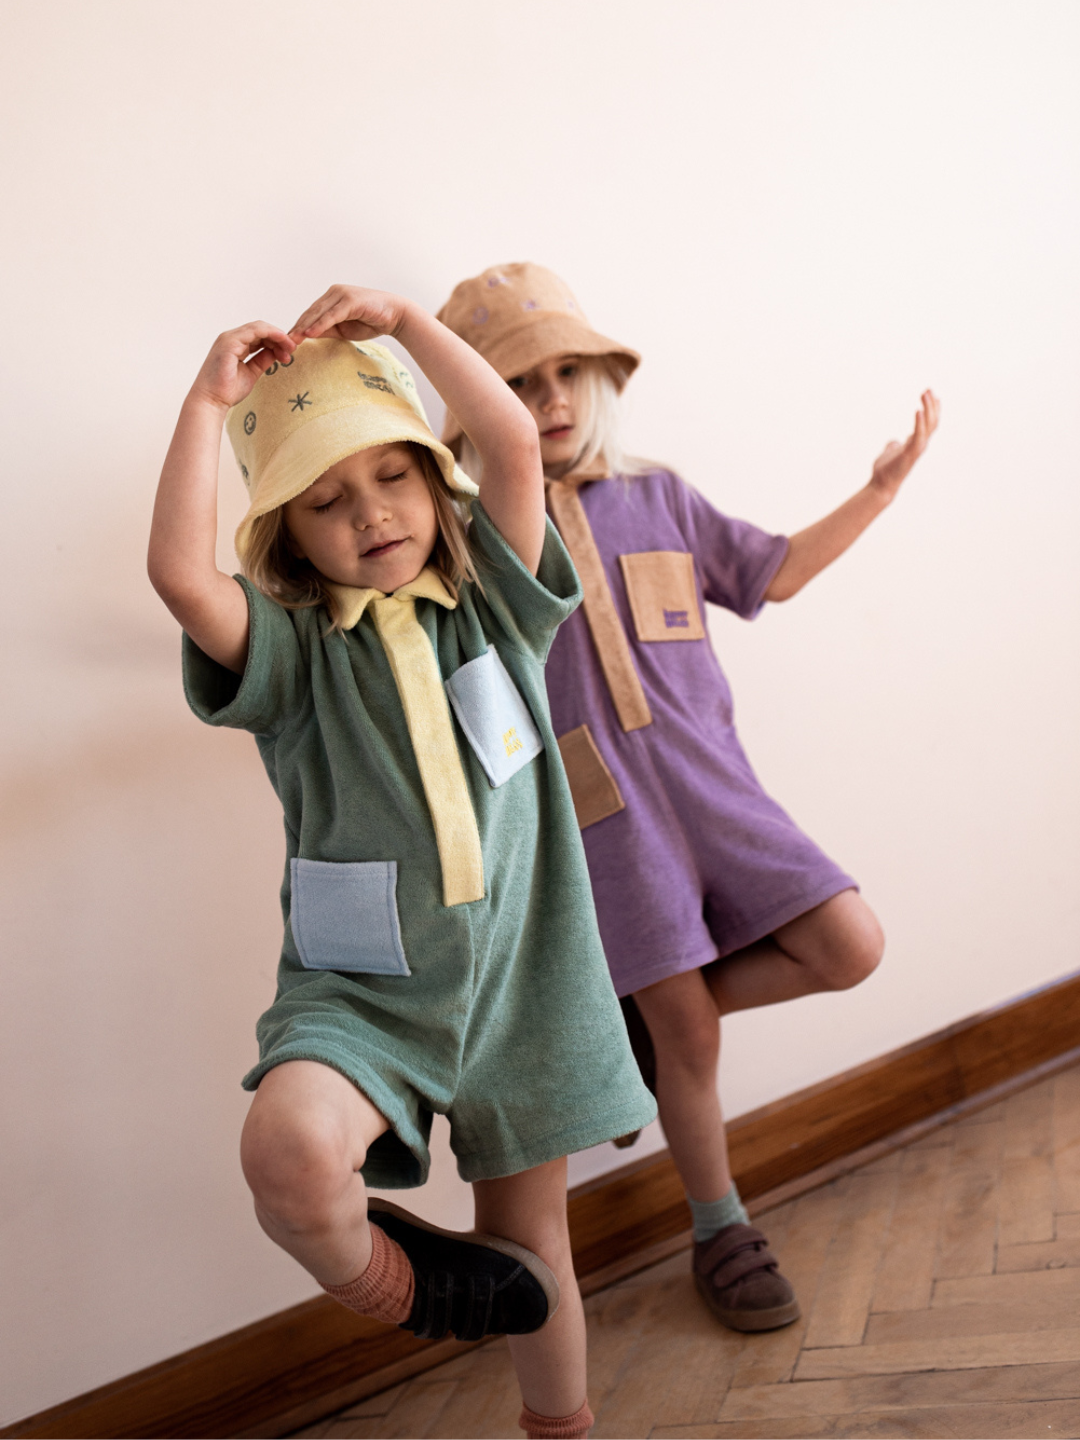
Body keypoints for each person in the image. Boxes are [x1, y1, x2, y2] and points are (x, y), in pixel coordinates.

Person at [147, 282, 656, 1440]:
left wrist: (407, 327)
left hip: (527, 983)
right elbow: (181, 578)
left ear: (436, 484)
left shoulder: (499, 615)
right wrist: (199, 403)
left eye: (393, 477)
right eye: (326, 502)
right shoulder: (292, 661)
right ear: (291, 537)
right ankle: (408, 1287)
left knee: (535, 1262)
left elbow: (517, 443)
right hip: (365, 990)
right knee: (285, 1153)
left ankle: (561, 1428)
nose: (369, 512)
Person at [438, 262, 939, 1334]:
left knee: (849, 944)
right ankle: (721, 1226)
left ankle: (632, 1021)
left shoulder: (659, 497)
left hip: (719, 791)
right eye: (520, 384)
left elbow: (778, 573)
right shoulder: (478, 547)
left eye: (567, 372)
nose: (553, 399)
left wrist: (882, 488)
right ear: (486, 412)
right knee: (696, 1043)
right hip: (604, 822)